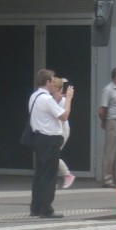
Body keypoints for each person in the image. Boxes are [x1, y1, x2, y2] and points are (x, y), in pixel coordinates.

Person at [29, 68, 74, 218]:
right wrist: (68, 99)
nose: (54, 82)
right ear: (47, 82)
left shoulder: (34, 96)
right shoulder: (46, 99)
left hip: (38, 138)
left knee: (40, 174)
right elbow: (64, 116)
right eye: (52, 79)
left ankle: (35, 207)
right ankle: (46, 208)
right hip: (50, 139)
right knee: (49, 175)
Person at [98, 67, 116, 187]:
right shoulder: (108, 90)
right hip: (112, 121)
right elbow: (102, 110)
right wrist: (105, 122)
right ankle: (107, 179)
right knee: (110, 150)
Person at [52, 77, 75, 189]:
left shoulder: (63, 101)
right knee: (51, 155)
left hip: (62, 130)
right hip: (56, 130)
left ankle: (67, 174)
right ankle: (54, 180)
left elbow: (63, 117)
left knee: (53, 155)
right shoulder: (53, 99)